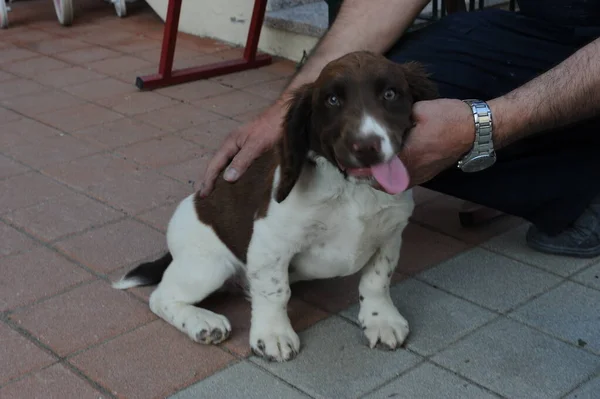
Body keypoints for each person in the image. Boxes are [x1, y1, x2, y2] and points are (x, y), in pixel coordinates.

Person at [198, 0, 600, 258]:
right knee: (381, 73)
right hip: (553, 27)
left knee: (404, 101)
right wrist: (285, 111)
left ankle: (581, 185)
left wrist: (485, 125)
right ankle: (544, 170)